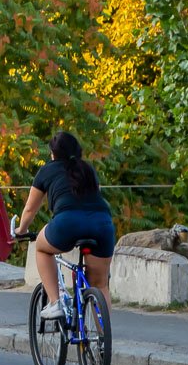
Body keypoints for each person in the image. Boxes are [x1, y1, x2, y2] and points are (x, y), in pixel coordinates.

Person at [16, 131, 116, 316]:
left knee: (41, 248)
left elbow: (30, 209)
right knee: (100, 284)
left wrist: (21, 230)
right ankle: (103, 341)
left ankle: (56, 302)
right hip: (102, 223)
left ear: (53, 153)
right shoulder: (88, 169)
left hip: (67, 223)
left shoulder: (47, 170)